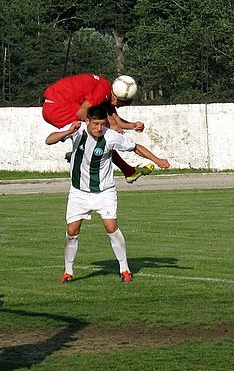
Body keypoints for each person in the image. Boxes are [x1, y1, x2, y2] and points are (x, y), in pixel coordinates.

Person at [46, 103, 170, 284]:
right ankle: (68, 271)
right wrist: (66, 133)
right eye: (95, 124)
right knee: (72, 230)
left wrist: (157, 160)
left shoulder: (111, 137)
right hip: (79, 192)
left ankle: (125, 269)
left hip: (104, 191)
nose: (99, 128)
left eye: (103, 124)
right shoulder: (77, 130)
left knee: (111, 227)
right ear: (87, 121)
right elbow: (49, 140)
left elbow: (136, 147)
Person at [42, 74, 154, 183]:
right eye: (121, 103)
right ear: (115, 96)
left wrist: (133, 125)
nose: (119, 106)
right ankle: (127, 170)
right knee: (99, 134)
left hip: (56, 105)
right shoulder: (102, 93)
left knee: (98, 132)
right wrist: (108, 127)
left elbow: (115, 120)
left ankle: (127, 171)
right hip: (56, 107)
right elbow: (81, 113)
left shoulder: (107, 91)